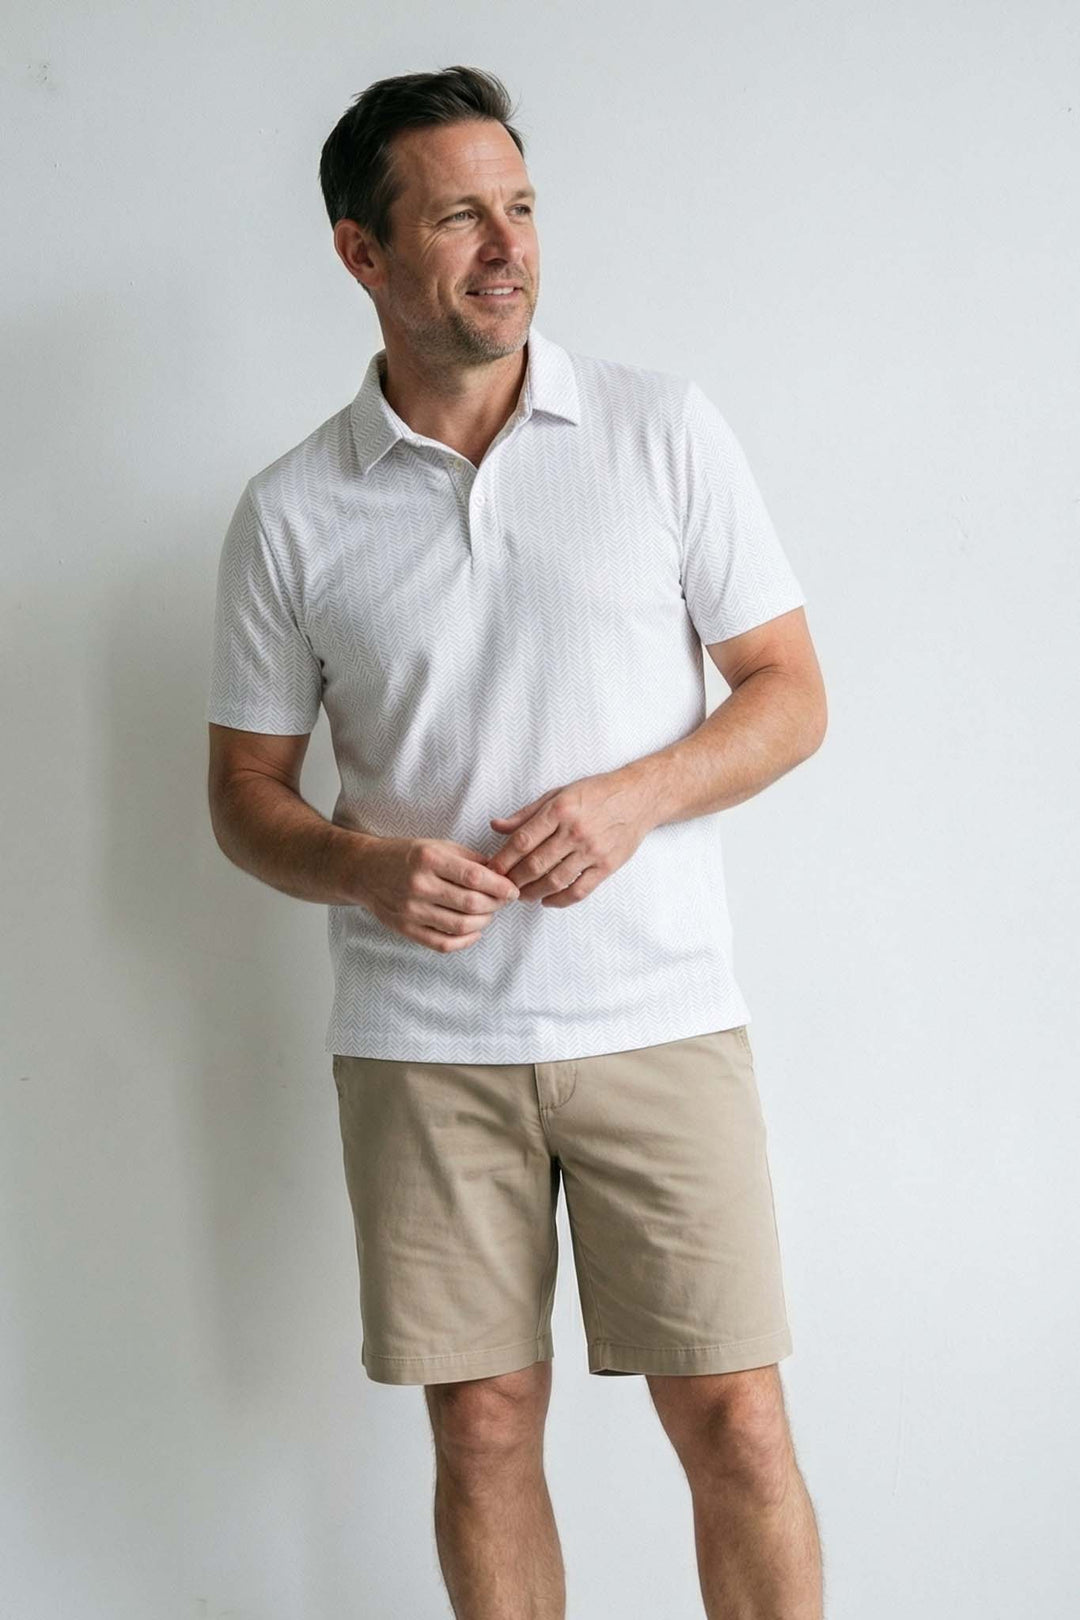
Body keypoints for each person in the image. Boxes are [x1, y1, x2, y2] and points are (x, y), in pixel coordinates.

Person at [205, 63, 827, 1620]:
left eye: (524, 207)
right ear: (362, 251)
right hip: (423, 1045)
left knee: (736, 1420)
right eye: (460, 215)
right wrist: (361, 865)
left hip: (660, 1016)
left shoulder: (658, 430)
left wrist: (634, 797)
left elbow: (790, 695)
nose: (509, 246)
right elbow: (244, 794)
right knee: (482, 1428)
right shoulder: (291, 513)